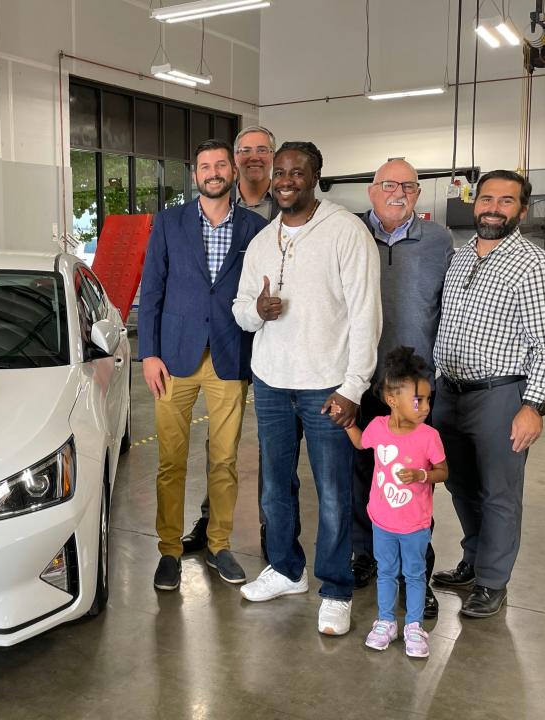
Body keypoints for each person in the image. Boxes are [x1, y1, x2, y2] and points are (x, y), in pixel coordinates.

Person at [233, 141, 382, 636]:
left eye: (298, 171)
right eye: (280, 171)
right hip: (272, 383)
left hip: (327, 387)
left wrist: (354, 388)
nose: (286, 179)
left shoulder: (344, 231)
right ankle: (284, 569)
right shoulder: (261, 241)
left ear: (316, 176)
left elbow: (366, 315)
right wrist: (259, 311)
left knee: (335, 492)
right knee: (275, 486)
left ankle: (336, 588)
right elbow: (240, 310)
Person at [139, 138, 268, 591]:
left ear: (233, 171)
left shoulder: (255, 228)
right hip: (173, 359)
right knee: (171, 461)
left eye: (220, 165)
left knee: (225, 459)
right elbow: (151, 289)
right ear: (194, 175)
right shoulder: (170, 223)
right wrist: (149, 353)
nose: (213, 173)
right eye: (204, 166)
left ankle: (219, 544)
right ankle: (170, 550)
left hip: (229, 357)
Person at [432, 170, 545, 617]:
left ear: (522, 210)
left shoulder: (536, 265)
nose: (493, 207)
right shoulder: (460, 256)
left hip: (501, 396)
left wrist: (534, 405)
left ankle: (492, 581)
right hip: (448, 391)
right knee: (460, 484)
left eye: (506, 201)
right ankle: (473, 560)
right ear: (475, 203)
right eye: (487, 198)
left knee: (499, 492)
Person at [350, 159, 454, 622]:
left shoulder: (440, 240)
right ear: (372, 191)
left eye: (409, 186)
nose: (399, 193)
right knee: (359, 475)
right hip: (359, 377)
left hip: (412, 387)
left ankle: (420, 575)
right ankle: (365, 556)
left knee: (413, 482)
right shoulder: (350, 232)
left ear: (418, 193)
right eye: (389, 185)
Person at [182, 125, 283, 558]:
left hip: (277, 344)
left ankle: (270, 528)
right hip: (226, 343)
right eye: (245, 150)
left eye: (262, 150)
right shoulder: (217, 201)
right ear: (233, 159)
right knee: (220, 446)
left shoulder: (289, 204)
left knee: (271, 445)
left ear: (273, 157)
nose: (253, 157)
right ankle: (209, 523)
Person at [341, 347, 448, 658]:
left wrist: (421, 475)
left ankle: (414, 626)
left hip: (415, 524)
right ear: (392, 401)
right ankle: (386, 621)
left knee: (414, 574)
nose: (426, 406)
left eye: (428, 399)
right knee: (386, 571)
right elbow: (362, 442)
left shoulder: (429, 436)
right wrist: (348, 423)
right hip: (382, 521)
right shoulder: (377, 428)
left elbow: (443, 471)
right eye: (419, 400)